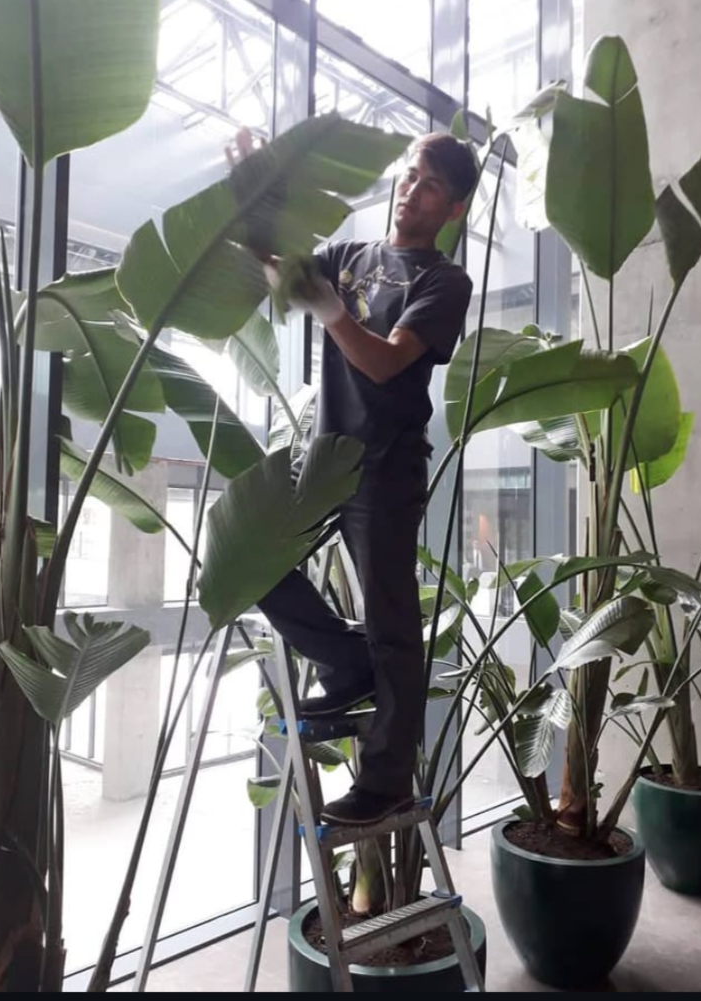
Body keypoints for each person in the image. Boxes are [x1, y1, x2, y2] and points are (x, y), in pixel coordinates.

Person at [233, 129, 477, 826]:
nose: (410, 190)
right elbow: (273, 259)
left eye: (429, 184)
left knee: (394, 630)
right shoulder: (348, 257)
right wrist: (259, 188)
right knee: (248, 560)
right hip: (323, 463)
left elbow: (383, 362)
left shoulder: (442, 282)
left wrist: (331, 310)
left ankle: (387, 780)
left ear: (451, 207)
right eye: (408, 175)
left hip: (386, 471)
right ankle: (345, 664)